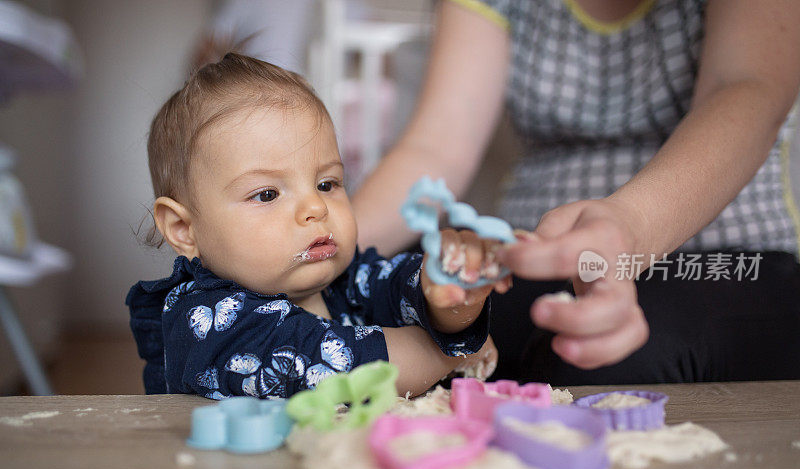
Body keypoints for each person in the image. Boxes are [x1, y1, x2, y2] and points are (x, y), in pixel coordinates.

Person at [352, 0, 800, 384]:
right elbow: (437, 146)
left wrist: (628, 227)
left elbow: (744, 85)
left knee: (602, 364)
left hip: (727, 256)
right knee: (394, 330)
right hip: (536, 255)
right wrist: (325, 251)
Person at [126, 53, 510, 399]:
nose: (315, 207)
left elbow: (403, 287)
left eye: (327, 184)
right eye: (267, 195)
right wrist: (453, 351)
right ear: (183, 229)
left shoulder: (344, 279)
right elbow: (346, 366)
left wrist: (453, 293)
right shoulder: (208, 322)